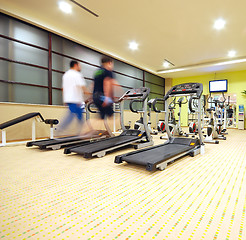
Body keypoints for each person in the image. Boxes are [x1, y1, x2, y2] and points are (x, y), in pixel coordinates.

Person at [56, 60, 89, 135]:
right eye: (79, 65)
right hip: (75, 99)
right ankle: (59, 129)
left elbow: (63, 88)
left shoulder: (66, 74)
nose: (80, 67)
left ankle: (82, 131)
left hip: (69, 98)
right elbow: (82, 86)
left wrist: (64, 99)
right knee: (71, 115)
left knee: (79, 115)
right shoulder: (77, 74)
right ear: (75, 65)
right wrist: (89, 94)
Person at [92, 56, 121, 135]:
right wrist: (107, 98)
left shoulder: (97, 71)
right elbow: (107, 83)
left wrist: (90, 97)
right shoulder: (108, 71)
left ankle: (101, 131)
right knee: (114, 117)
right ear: (110, 63)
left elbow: (92, 85)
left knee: (101, 117)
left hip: (95, 96)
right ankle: (90, 129)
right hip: (103, 97)